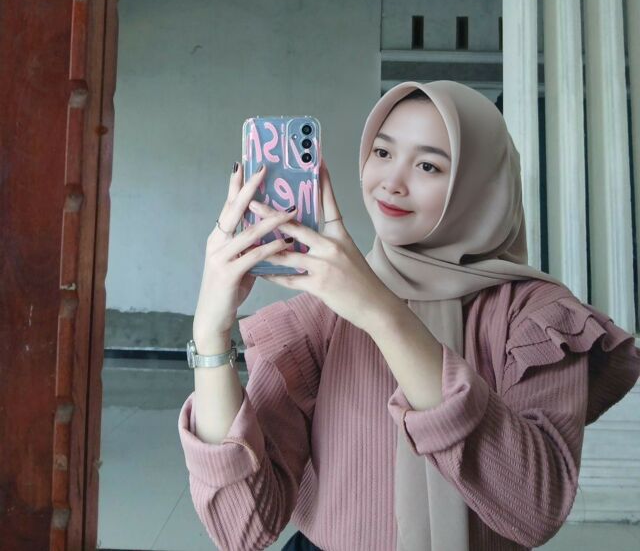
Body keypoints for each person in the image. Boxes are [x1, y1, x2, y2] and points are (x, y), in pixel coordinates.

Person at [178, 80, 640, 551]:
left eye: (428, 165)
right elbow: (241, 528)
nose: (392, 183)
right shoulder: (320, 316)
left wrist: (382, 313)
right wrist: (210, 334)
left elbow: (533, 510)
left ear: (479, 184)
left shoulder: (538, 319)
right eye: (382, 152)